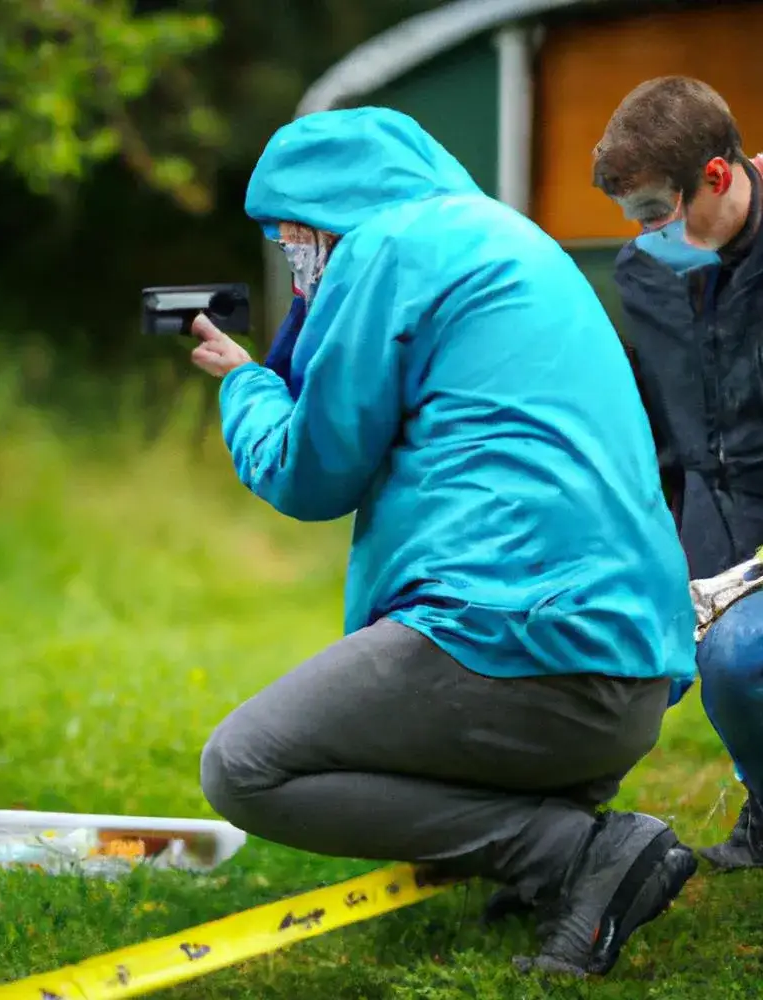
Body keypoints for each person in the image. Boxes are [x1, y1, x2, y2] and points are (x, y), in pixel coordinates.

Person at [189, 106, 698, 978]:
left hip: (526, 646)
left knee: (243, 768)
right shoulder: (502, 236)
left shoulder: (385, 249)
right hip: (631, 667)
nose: (294, 260)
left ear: (320, 218)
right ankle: (554, 844)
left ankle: (576, 855)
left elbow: (310, 474)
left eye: (289, 239)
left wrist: (245, 384)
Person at [592, 76, 763, 869]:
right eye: (633, 217)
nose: (646, 233)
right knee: (609, 658)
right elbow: (662, 416)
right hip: (703, 511)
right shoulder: (645, 273)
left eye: (658, 211)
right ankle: (550, 844)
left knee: (738, 658)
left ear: (717, 176)